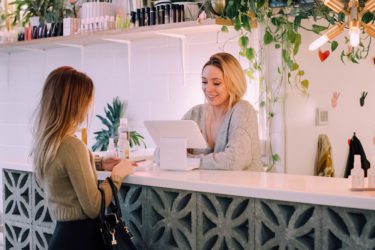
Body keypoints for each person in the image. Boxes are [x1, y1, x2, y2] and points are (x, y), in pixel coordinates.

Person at [31, 66, 135, 250]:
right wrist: (117, 175)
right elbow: (94, 206)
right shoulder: (72, 145)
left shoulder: (47, 142)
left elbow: (62, 167)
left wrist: (98, 163)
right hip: (82, 239)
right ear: (77, 104)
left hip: (62, 237)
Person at [183, 52, 263, 171]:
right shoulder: (195, 113)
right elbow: (161, 153)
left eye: (216, 83)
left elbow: (234, 160)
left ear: (233, 83)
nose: (208, 89)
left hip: (240, 188)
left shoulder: (243, 111)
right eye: (204, 82)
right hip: (204, 188)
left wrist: (190, 161)